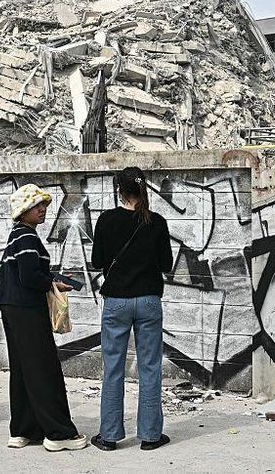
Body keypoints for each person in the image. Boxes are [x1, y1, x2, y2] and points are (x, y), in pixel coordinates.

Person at [0, 184, 88, 452]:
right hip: (27, 309)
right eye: (35, 206)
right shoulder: (27, 239)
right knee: (44, 370)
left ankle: (24, 429)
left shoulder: (17, 236)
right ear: (22, 211)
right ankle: (58, 433)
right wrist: (53, 283)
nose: (42, 210)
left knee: (24, 369)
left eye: (43, 205)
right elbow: (29, 277)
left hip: (12, 308)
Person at [89, 167, 173, 451]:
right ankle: (150, 436)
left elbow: (98, 261)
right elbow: (166, 265)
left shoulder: (106, 220)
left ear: (119, 191)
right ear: (143, 190)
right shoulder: (157, 222)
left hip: (116, 301)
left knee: (113, 368)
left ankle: (110, 436)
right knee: (150, 368)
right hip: (149, 300)